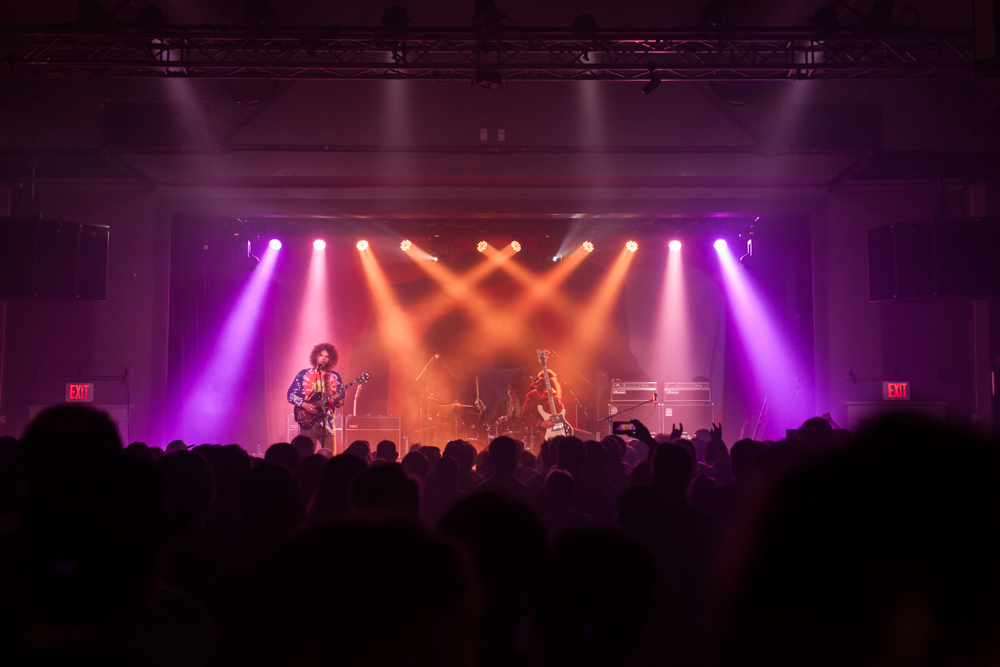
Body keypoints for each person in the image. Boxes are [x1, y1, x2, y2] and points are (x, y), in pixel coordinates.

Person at [287, 343, 344, 452]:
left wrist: (337, 400)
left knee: (330, 458)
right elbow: (290, 395)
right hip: (308, 423)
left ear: (331, 359)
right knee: (306, 457)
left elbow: (340, 402)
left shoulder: (335, 377)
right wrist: (304, 405)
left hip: (327, 425)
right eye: (321, 355)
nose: (323, 358)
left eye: (326, 356)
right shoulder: (303, 374)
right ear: (316, 356)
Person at [522, 369, 570, 445]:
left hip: (557, 430)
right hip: (540, 432)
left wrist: (555, 399)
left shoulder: (554, 395)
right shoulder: (533, 394)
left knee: (585, 436)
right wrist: (541, 423)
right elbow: (524, 415)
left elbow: (561, 412)